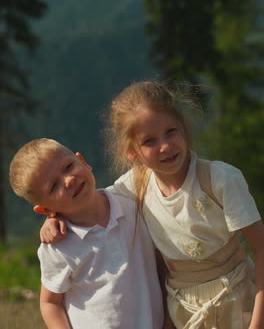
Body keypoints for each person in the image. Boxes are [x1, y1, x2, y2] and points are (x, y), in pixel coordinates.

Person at [40, 81, 264, 329]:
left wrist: (256, 323)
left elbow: (261, 249)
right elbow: (89, 200)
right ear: (131, 151)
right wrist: (54, 216)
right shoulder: (135, 186)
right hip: (183, 313)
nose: (166, 146)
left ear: (184, 127)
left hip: (239, 302)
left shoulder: (221, 180)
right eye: (149, 141)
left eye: (171, 131)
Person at [9, 138, 164, 329]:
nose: (69, 180)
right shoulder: (59, 246)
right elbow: (50, 302)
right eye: (54, 186)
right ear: (46, 210)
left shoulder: (132, 201)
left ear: (82, 161)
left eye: (68, 167)